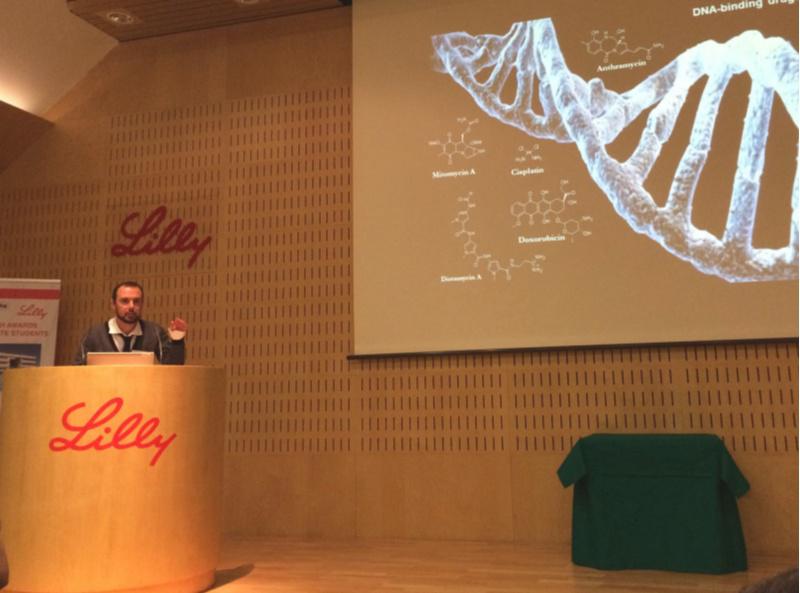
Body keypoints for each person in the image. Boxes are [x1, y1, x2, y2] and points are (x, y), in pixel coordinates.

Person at [74, 281, 187, 365]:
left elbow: (173, 369)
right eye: (125, 301)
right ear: (113, 304)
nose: (131, 306)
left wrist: (177, 339)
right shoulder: (94, 334)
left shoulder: (154, 332)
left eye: (136, 301)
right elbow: (77, 370)